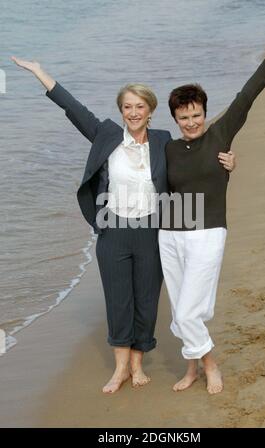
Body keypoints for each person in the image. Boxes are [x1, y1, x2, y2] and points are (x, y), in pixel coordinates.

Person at [11, 56, 236, 394]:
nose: (133, 112)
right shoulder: (105, 134)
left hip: (152, 232)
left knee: (146, 300)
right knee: (118, 300)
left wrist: (228, 162)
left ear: (151, 110)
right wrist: (41, 73)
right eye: (127, 106)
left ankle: (137, 364)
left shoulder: (162, 141)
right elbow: (73, 109)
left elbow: (199, 150)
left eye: (140, 106)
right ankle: (119, 369)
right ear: (121, 110)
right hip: (113, 231)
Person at [158, 27, 265, 394]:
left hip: (208, 232)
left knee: (187, 312)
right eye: (183, 118)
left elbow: (247, 97)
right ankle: (191, 368)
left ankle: (210, 363)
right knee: (182, 308)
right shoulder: (166, 148)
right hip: (170, 235)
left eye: (195, 115)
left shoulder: (219, 135)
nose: (191, 122)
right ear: (175, 119)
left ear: (204, 112)